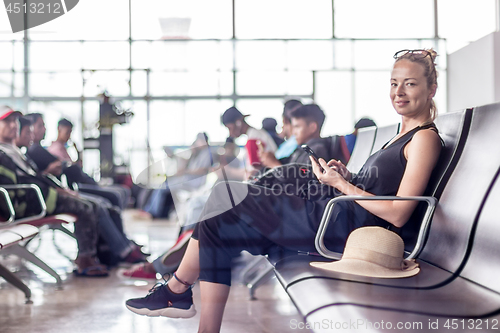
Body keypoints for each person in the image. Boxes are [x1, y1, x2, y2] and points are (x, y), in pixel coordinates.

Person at [126, 48, 442, 331]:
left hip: (343, 228)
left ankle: (178, 290)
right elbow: (382, 186)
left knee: (225, 198)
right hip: (335, 211)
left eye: (410, 83)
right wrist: (349, 175)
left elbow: (400, 213)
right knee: (218, 224)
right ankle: (190, 308)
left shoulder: (424, 138)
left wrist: (342, 184)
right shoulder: (401, 134)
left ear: (431, 89)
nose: (399, 92)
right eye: (394, 83)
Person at [0, 106, 108, 277]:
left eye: (14, 121)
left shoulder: (15, 151)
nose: (13, 125)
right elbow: (26, 182)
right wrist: (58, 190)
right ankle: (85, 259)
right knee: (87, 207)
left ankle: (94, 255)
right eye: (7, 121)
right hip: (31, 203)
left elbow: (33, 177)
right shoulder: (3, 153)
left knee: (92, 205)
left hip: (39, 197)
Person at [258, 103, 329, 168]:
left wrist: (274, 165)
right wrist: (269, 159)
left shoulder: (316, 151)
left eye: (297, 127)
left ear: (312, 128)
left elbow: (300, 179)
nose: (294, 132)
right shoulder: (301, 150)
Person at [220, 106, 278, 179]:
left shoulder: (253, 140)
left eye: (230, 128)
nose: (230, 133)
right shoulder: (257, 134)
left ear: (238, 123)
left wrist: (229, 172)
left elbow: (255, 173)